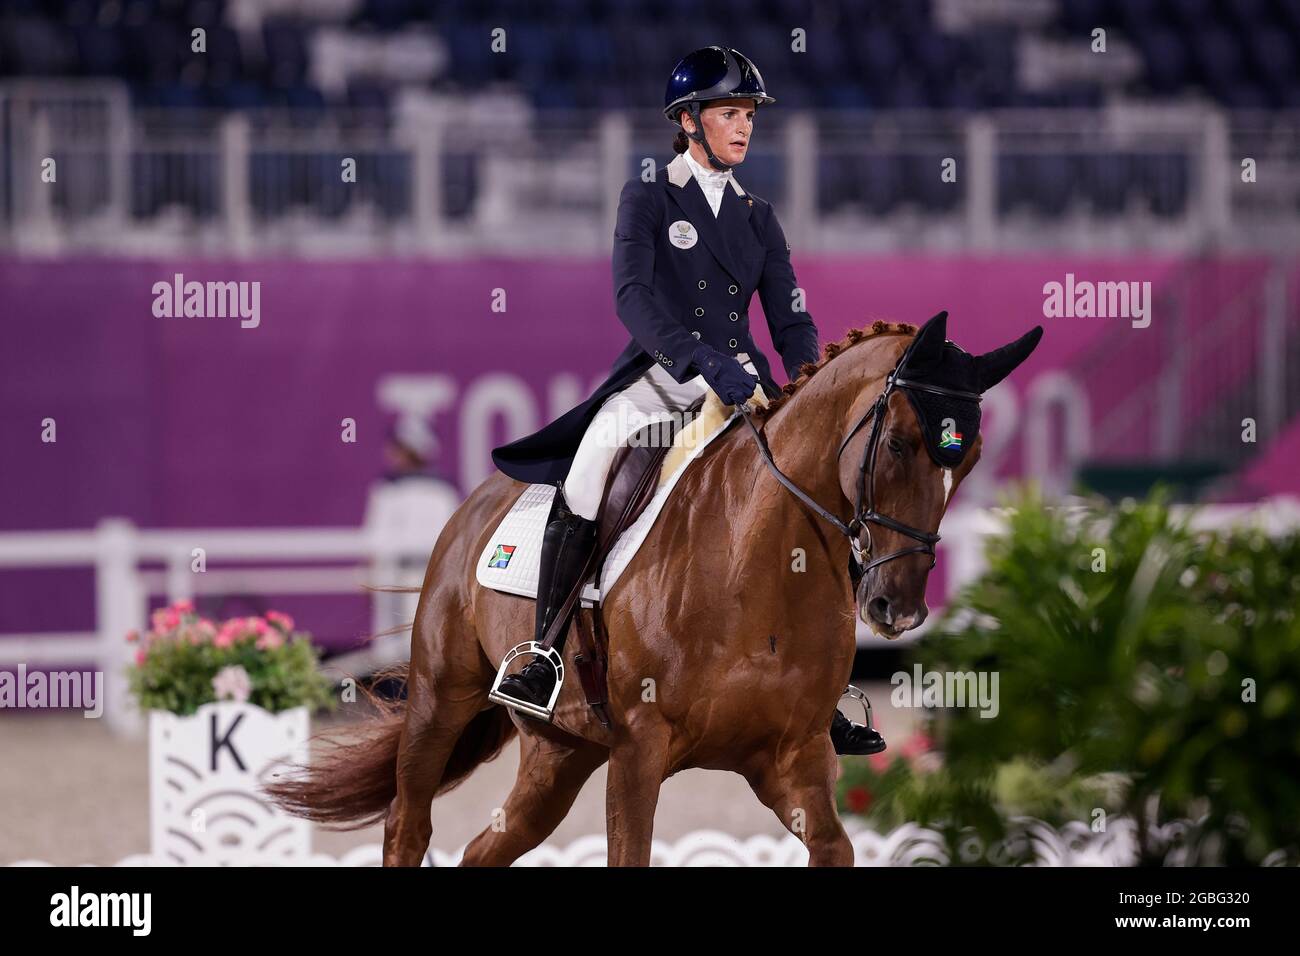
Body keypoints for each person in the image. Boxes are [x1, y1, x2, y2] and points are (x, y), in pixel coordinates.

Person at [489, 47, 884, 754]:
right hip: (662, 377)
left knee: (820, 485)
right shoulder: (647, 196)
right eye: (731, 113)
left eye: (749, 115)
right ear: (690, 121)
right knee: (587, 473)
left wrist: (812, 387)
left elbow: (790, 319)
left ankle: (821, 684)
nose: (744, 127)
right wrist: (700, 360)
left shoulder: (759, 218)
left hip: (743, 385)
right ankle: (542, 653)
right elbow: (632, 299)